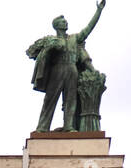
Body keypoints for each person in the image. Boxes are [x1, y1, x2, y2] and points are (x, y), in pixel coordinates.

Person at [27, 1, 106, 133]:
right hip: (57, 70)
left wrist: (99, 11)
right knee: (50, 99)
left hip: (72, 69)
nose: (66, 23)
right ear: (57, 26)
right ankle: (42, 127)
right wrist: (49, 48)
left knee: (71, 100)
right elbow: (32, 52)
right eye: (63, 22)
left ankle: (69, 126)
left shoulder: (74, 38)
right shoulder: (51, 40)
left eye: (66, 22)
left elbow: (88, 29)